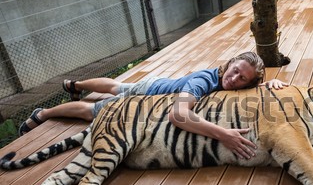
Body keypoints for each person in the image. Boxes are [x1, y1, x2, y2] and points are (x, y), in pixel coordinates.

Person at [19, 52, 288, 159]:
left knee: (115, 85)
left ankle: (75, 86)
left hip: (157, 85)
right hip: (146, 98)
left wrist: (269, 85)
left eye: (243, 79)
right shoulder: (203, 82)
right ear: (228, 64)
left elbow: (253, 86)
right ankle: (42, 113)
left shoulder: (234, 82)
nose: (234, 79)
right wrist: (223, 134)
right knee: (93, 112)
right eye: (235, 70)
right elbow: (179, 116)